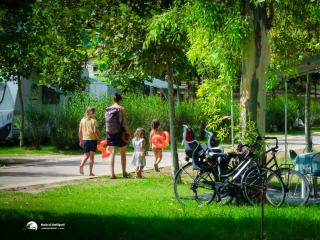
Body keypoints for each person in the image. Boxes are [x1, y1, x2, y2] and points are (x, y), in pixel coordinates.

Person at [105, 93, 131, 179]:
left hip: (110, 133)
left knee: (112, 152)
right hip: (120, 133)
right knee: (122, 152)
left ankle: (112, 174)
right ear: (120, 100)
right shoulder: (121, 109)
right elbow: (125, 123)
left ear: (113, 100)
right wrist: (129, 133)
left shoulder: (108, 109)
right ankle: (124, 172)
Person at [79, 106, 100, 176]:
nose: (94, 114)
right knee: (91, 157)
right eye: (94, 112)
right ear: (92, 113)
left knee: (85, 155)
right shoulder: (94, 121)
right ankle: (90, 172)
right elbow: (95, 131)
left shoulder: (82, 120)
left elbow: (80, 131)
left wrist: (80, 140)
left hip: (85, 140)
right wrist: (98, 139)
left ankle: (81, 165)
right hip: (92, 140)